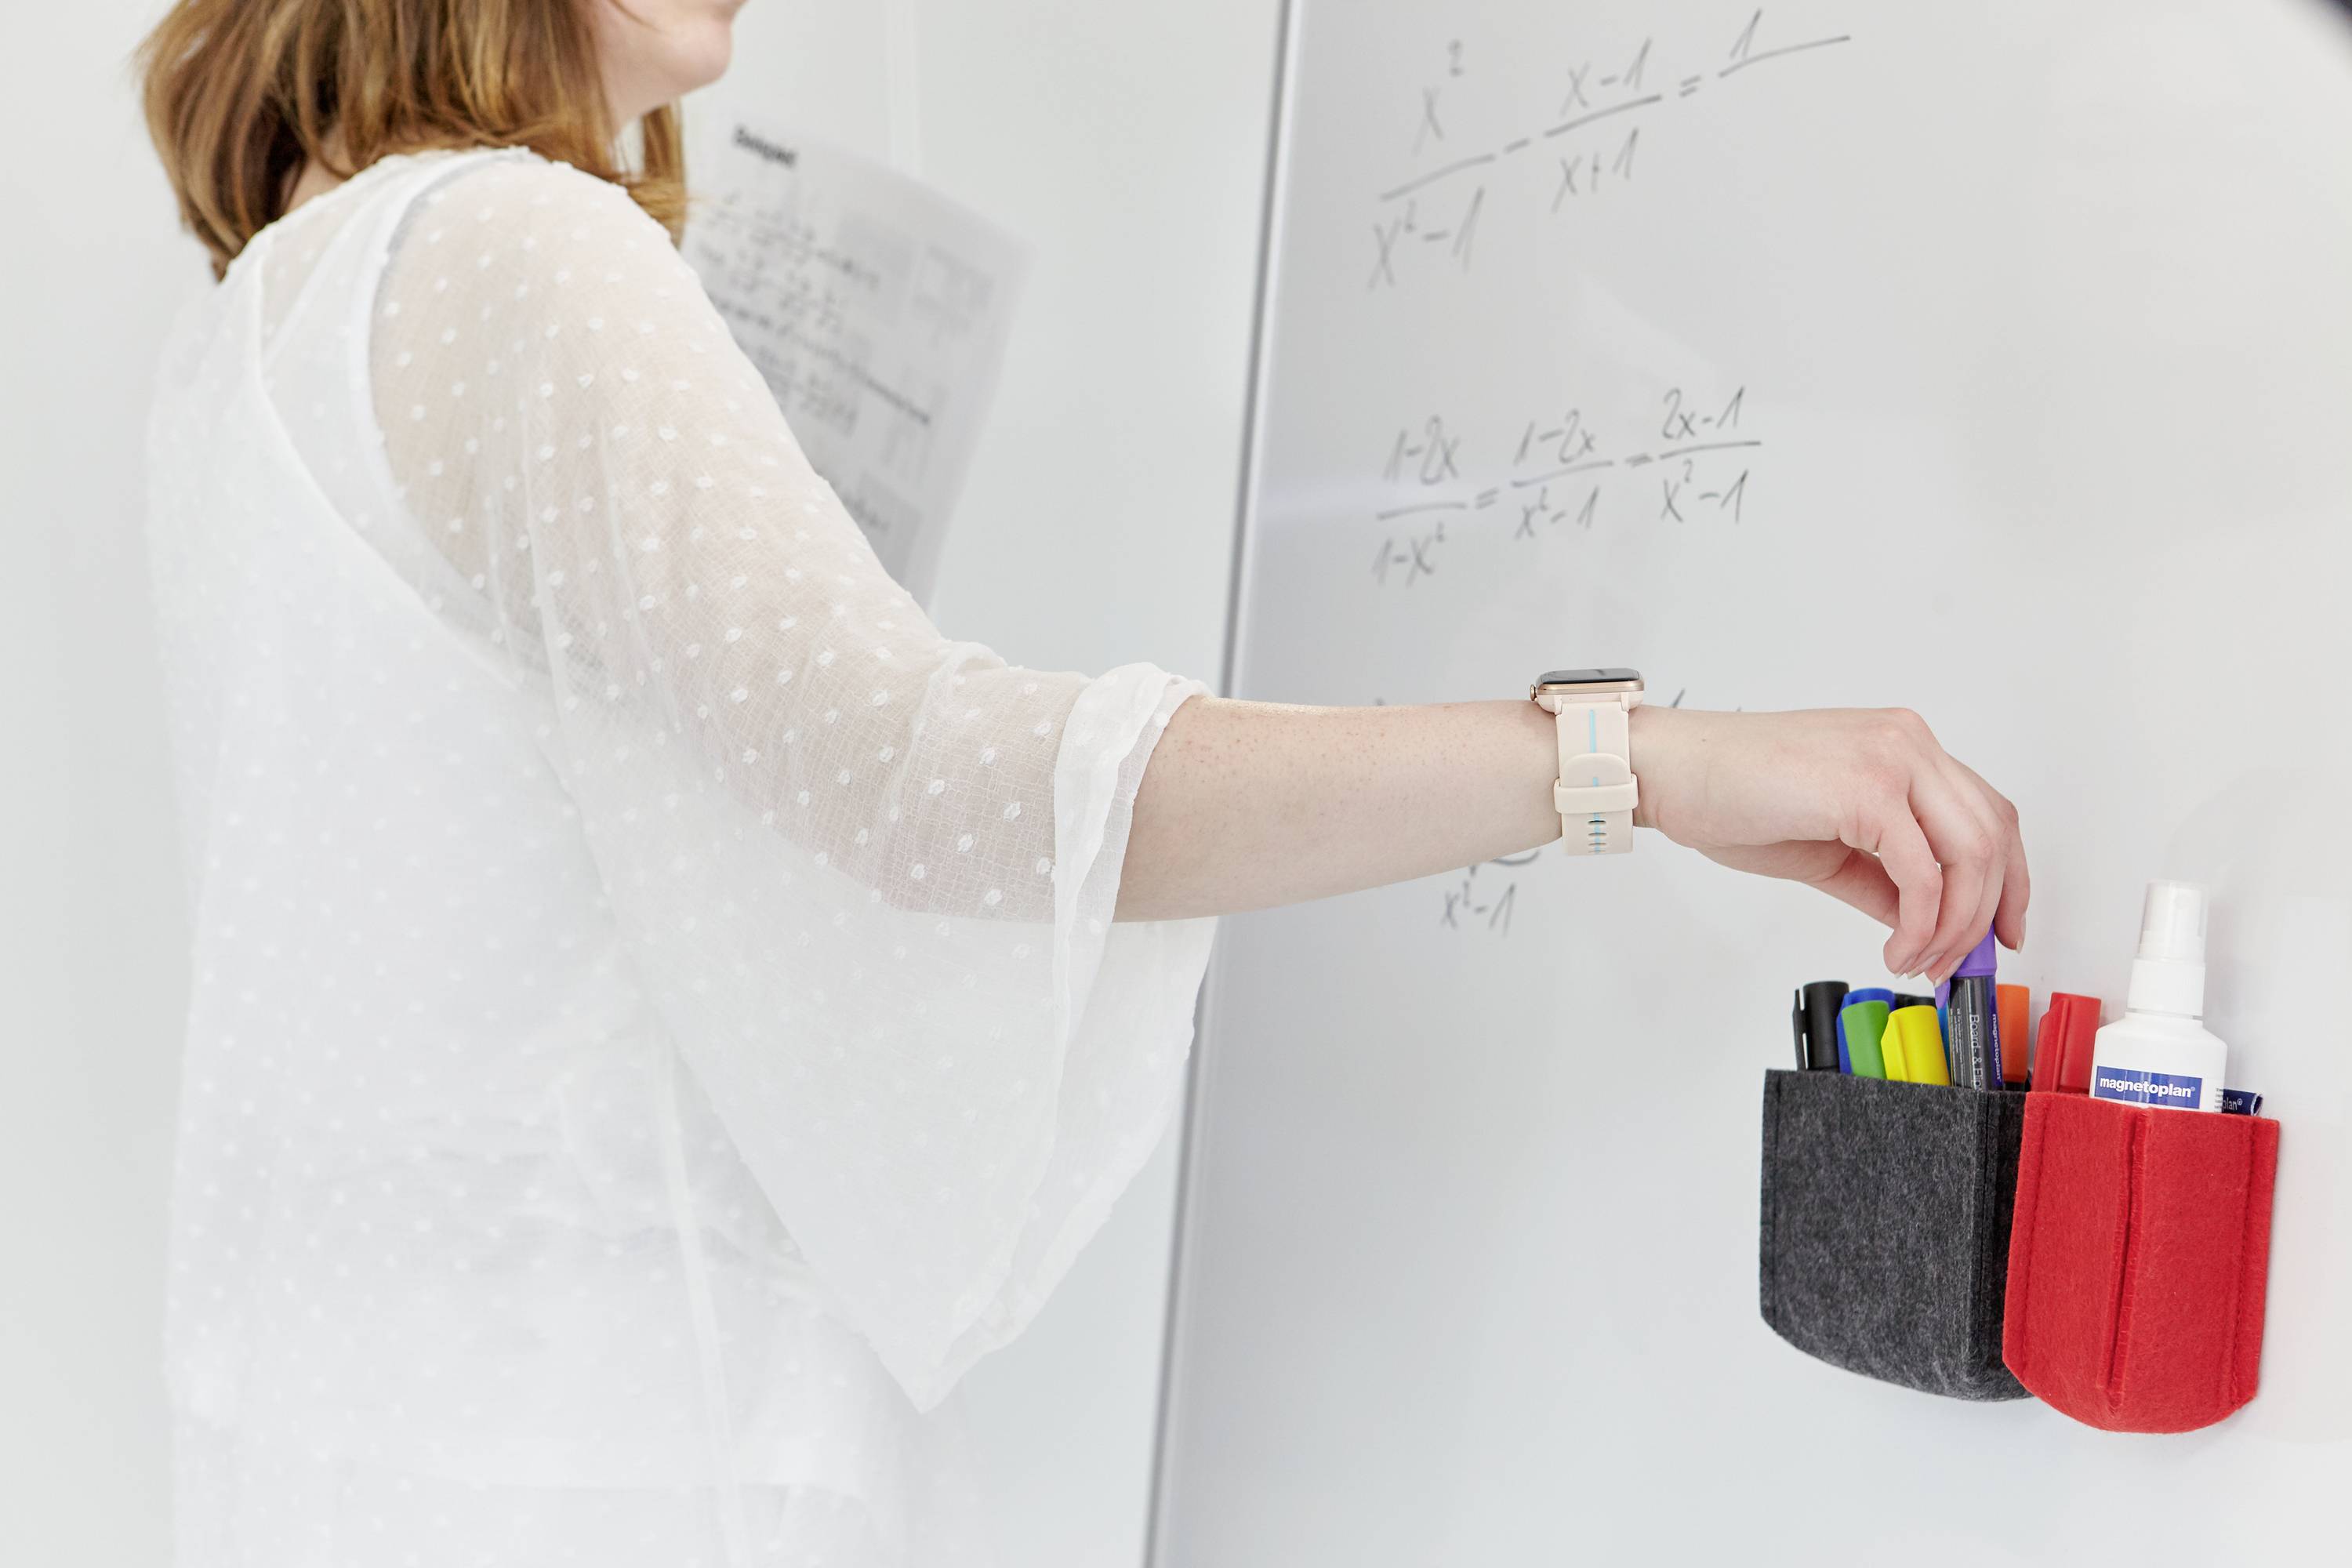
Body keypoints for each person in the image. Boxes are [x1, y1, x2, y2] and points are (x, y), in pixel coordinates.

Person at [136, 0, 2029, 1562]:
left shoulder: (261, 323)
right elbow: (932, 782)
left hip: (371, 1452)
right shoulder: (518, 250)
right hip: (611, 1456)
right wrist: (1631, 762)